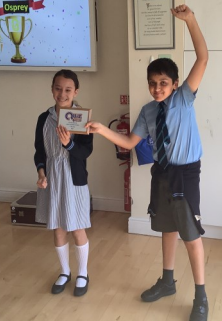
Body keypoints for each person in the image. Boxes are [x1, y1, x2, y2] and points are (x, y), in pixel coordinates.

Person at [86, 4, 208, 321]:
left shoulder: (184, 97)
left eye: (163, 82)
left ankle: (201, 295)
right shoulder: (147, 112)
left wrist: (191, 20)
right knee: (167, 228)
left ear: (175, 82)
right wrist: (101, 130)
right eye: (153, 82)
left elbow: (203, 57)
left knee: (190, 234)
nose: (157, 88)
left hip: (186, 174)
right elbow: (129, 143)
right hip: (163, 174)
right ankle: (167, 281)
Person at [34, 69, 93, 297]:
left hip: (74, 179)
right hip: (52, 179)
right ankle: (65, 271)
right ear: (52, 89)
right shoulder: (43, 118)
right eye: (58, 88)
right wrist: (41, 173)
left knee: (77, 227)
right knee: (58, 226)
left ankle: (83, 273)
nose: (62, 93)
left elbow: (85, 151)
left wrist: (69, 145)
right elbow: (39, 151)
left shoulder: (81, 117)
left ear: (75, 92)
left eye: (68, 89)